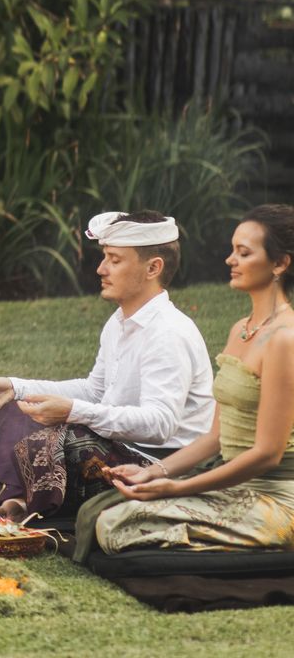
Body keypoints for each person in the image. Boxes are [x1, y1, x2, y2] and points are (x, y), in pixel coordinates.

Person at [0, 210, 214, 522]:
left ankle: (23, 505)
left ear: (153, 267)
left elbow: (159, 424)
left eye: (114, 259)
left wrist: (73, 412)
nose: (101, 269)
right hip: (119, 447)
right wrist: (18, 388)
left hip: (160, 464)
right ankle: (5, 501)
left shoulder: (168, 332)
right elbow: (94, 390)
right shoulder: (119, 322)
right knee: (18, 409)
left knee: (61, 438)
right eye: (105, 258)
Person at [81, 204, 294, 553]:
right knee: (107, 515)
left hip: (276, 499)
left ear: (280, 263)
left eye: (243, 253)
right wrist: (157, 472)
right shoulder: (241, 330)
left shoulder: (285, 339)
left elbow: (267, 455)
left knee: (117, 526)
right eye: (232, 250)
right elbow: (216, 436)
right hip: (233, 484)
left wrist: (178, 489)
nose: (230, 260)